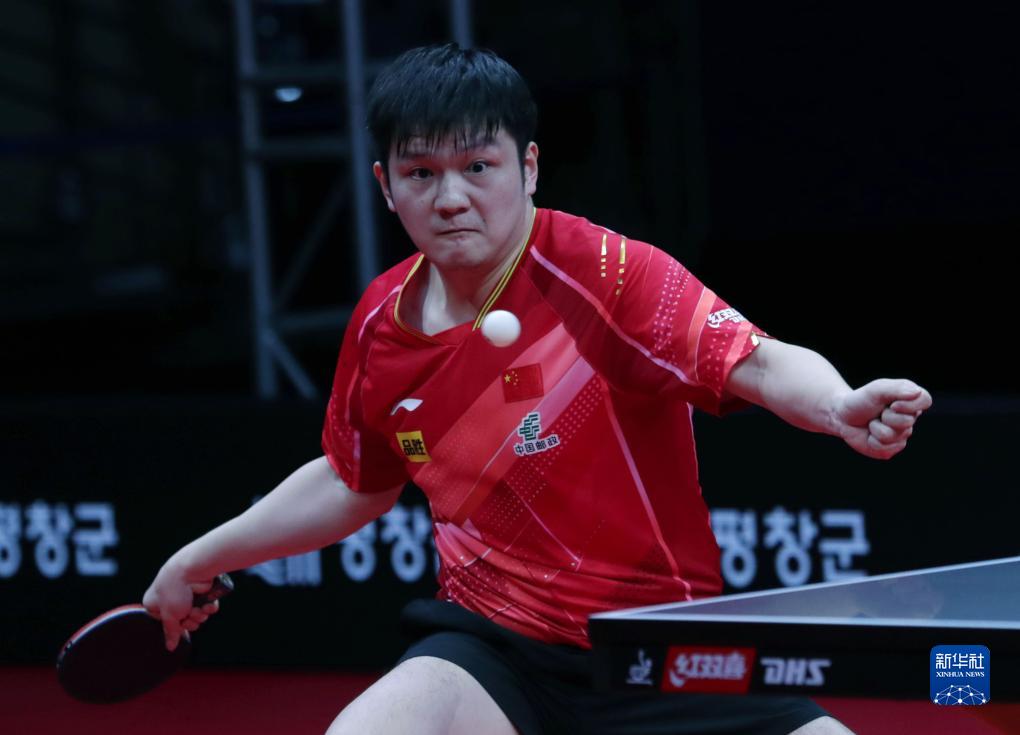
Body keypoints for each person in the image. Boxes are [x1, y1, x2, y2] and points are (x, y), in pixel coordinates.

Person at [143, 44, 931, 735]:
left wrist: (836, 404)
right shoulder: (383, 323)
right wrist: (198, 556)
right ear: (386, 184)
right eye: (421, 173)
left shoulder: (603, 272)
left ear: (527, 165)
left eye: (477, 167)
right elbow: (355, 480)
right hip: (493, 650)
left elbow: (753, 360)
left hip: (656, 648)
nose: (451, 198)